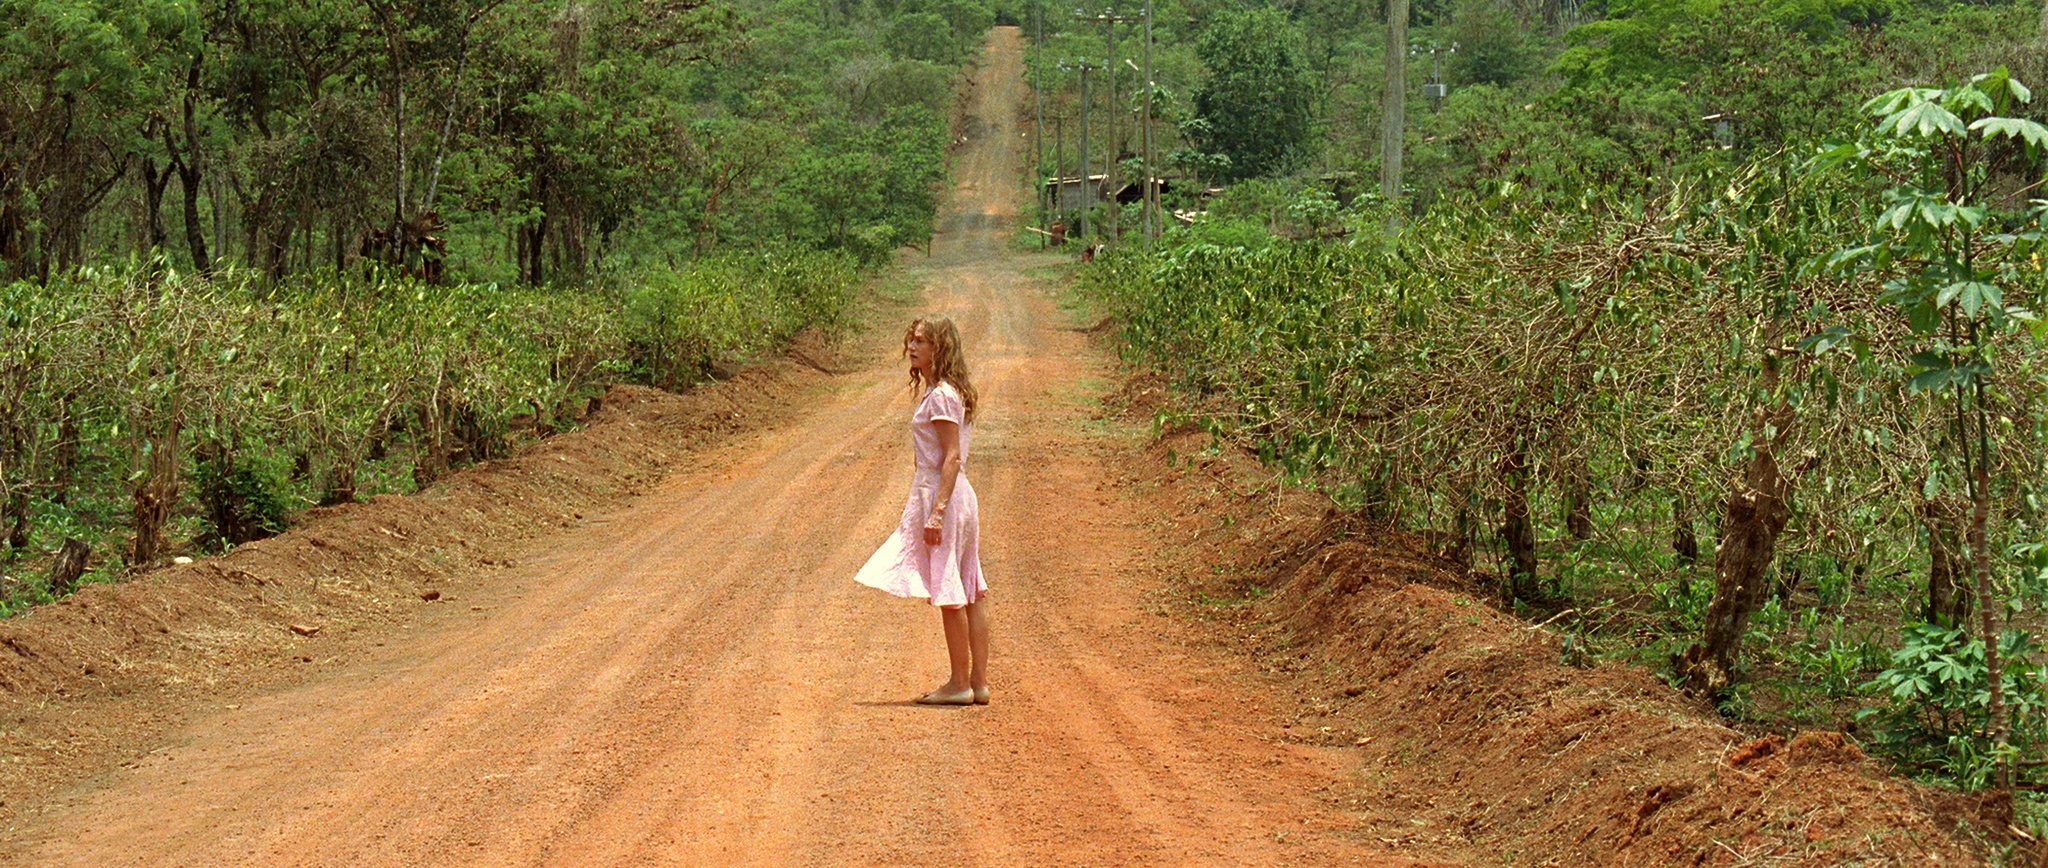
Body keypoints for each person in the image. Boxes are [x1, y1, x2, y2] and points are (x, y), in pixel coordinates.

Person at [854, 316, 990, 705]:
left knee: (953, 590)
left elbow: (950, 458)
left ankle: (960, 683)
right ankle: (977, 684)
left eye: (922, 342)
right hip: (954, 496)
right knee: (970, 588)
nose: (913, 348)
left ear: (939, 348)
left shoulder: (944, 395)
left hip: (944, 494)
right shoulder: (943, 391)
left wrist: (936, 512)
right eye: (912, 341)